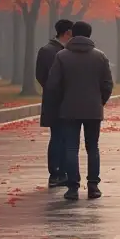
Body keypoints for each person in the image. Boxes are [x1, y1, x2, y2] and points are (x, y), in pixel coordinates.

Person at [44, 21, 114, 201]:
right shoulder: (100, 56)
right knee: (93, 148)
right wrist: (99, 101)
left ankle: (73, 187)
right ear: (89, 35)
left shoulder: (62, 56)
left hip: (68, 109)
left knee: (71, 148)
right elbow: (107, 84)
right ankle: (93, 186)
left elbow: (53, 85)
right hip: (93, 109)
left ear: (73, 34)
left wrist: (61, 102)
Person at [36, 18, 73, 187]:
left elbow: (40, 75)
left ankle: (59, 173)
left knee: (60, 137)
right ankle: (57, 173)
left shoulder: (47, 50)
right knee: (59, 137)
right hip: (59, 101)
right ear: (67, 33)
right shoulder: (55, 52)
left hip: (55, 100)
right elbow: (43, 75)